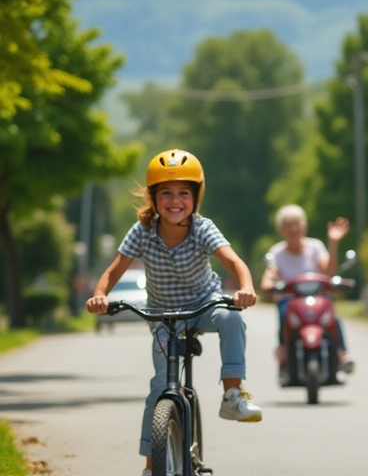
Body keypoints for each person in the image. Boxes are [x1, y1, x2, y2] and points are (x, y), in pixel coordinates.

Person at [86, 149, 262, 476]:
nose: (174, 200)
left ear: (196, 197)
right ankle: (152, 465)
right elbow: (114, 271)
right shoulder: (142, 231)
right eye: (165, 193)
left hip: (204, 305)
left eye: (184, 192)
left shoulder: (202, 228)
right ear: (153, 198)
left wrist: (246, 287)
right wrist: (100, 295)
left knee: (232, 317)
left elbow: (234, 262)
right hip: (164, 318)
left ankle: (232, 395)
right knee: (159, 389)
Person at [260, 204, 355, 381]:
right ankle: (284, 355)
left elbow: (328, 272)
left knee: (332, 316)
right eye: (288, 225)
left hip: (317, 298)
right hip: (291, 301)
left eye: (297, 224)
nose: (293, 229)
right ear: (281, 230)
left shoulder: (315, 247)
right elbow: (270, 274)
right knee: (284, 314)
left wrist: (333, 243)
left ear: (304, 227)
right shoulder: (277, 253)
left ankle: (341, 353)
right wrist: (268, 284)